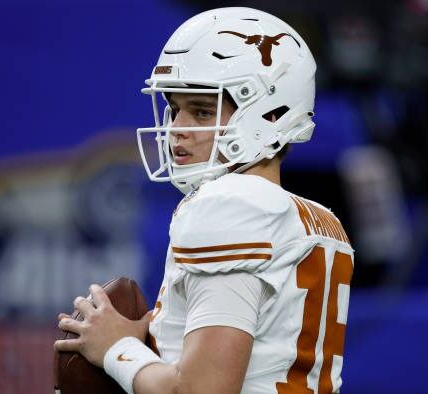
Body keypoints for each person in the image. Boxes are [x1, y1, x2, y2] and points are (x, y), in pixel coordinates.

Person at [55, 7, 354, 394]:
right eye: (176, 109)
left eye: (202, 110)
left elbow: (201, 391)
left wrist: (118, 350)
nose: (177, 129)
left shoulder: (229, 205)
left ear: (269, 112)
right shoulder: (320, 220)